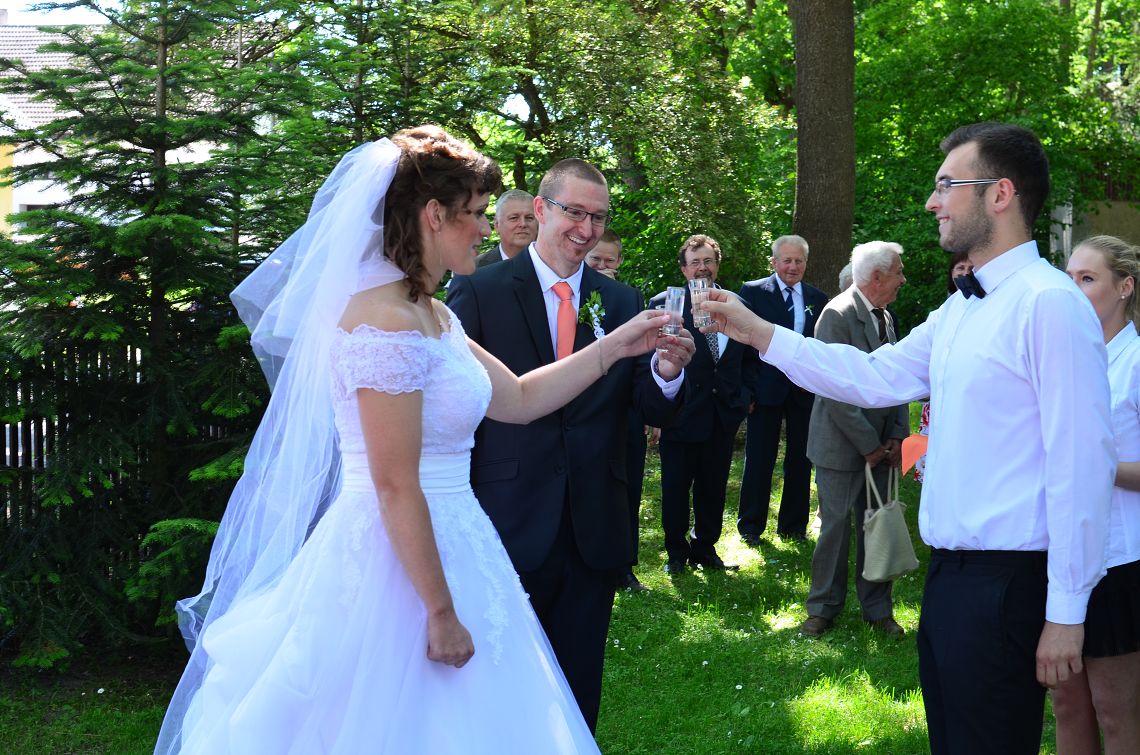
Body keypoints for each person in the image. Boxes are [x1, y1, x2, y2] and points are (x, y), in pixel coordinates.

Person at [155, 128, 676, 754]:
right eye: (476, 214)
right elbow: (395, 483)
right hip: (395, 565)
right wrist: (439, 610)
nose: (486, 230)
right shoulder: (384, 321)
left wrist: (617, 345)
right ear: (435, 215)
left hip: (462, 539)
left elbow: (518, 399)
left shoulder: (434, 312)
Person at [697, 122, 1115, 755]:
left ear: (1000, 194)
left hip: (1009, 582)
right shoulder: (961, 307)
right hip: (949, 576)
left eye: (947, 185)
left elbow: (1082, 463)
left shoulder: (1049, 304)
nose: (931, 201)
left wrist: (1066, 612)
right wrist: (759, 332)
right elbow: (872, 376)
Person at [447, 158, 694, 730]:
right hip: (508, 516)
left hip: (594, 521)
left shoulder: (622, 300)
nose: (587, 229)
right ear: (540, 209)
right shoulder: (479, 291)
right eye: (574, 213)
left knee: (579, 682)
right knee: (502, 685)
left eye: (598, 217)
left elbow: (650, 407)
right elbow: (460, 409)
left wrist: (667, 373)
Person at [1052, 234, 1140, 754]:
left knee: (1115, 711)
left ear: (1125, 287)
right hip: (1059, 552)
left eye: (1087, 279)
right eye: (1069, 278)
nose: (1073, 289)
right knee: (1067, 705)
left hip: (1120, 557)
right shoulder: (1061, 360)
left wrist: (1094, 468)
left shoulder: (1135, 361)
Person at [799, 241, 909, 639]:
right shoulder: (836, 314)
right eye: (898, 272)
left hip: (881, 445)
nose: (903, 279)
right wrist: (869, 445)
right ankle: (822, 608)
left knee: (876, 525)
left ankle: (878, 610)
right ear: (876, 276)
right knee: (835, 529)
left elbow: (895, 378)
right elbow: (835, 391)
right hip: (841, 444)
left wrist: (896, 435)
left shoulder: (885, 315)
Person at [650, 234, 758, 573]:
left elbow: (751, 355)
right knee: (675, 488)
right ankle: (676, 554)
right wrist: (655, 410)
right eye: (695, 262)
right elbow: (650, 360)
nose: (702, 268)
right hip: (680, 414)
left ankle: (705, 549)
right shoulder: (666, 305)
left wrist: (745, 396)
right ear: (684, 269)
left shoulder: (737, 304)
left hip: (722, 414)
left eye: (708, 261)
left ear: (717, 265)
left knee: (713, 488)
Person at [737, 235, 829, 544]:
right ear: (774, 262)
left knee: (801, 459)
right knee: (759, 457)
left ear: (806, 263)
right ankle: (751, 526)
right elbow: (742, 343)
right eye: (787, 260)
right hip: (764, 389)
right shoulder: (753, 292)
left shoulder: (818, 298)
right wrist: (747, 389)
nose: (793, 266)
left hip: (803, 389)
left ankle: (793, 526)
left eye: (798, 261)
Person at [584, 229, 650, 592]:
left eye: (609, 260)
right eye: (596, 260)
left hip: (626, 411)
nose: (602, 266)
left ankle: (625, 566)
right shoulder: (575, 296)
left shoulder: (629, 299)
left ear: (620, 262)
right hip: (586, 410)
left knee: (629, 488)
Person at [475, 188, 537, 267]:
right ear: (497, 225)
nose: (523, 224)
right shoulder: (475, 268)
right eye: (514, 218)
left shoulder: (550, 263)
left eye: (529, 218)